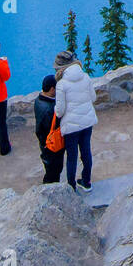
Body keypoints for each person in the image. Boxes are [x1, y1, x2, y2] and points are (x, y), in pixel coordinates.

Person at [54, 50, 98, 192]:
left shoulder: (62, 84)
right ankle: (87, 181)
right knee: (86, 151)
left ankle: (71, 186)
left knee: (71, 156)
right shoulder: (85, 77)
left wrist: (54, 111)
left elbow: (60, 111)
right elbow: (93, 98)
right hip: (87, 122)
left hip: (71, 126)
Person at [33, 74, 63, 184]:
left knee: (49, 168)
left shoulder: (38, 100)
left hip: (44, 143)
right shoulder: (50, 108)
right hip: (52, 144)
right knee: (54, 171)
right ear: (52, 89)